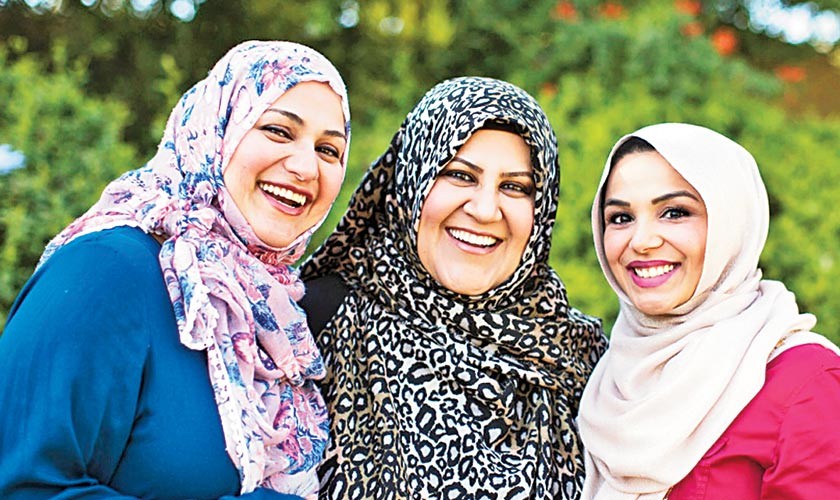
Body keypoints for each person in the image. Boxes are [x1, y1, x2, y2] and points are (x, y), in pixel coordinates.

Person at [0, 40, 351, 499]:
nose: (306, 167)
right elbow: (22, 486)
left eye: (329, 150)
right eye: (278, 131)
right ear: (217, 128)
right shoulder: (108, 270)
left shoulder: (273, 312)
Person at [298, 76, 607, 499]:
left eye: (515, 187)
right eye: (460, 175)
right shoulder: (310, 327)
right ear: (410, 181)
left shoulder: (583, 362)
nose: (485, 210)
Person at [578, 123, 840, 498]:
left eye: (674, 212)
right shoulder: (607, 381)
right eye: (621, 218)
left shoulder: (806, 382)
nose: (642, 241)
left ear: (730, 222)